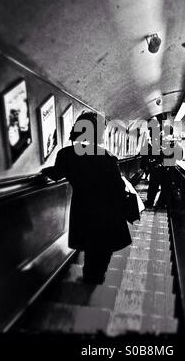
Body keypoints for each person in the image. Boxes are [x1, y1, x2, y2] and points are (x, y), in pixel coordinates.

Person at [41, 111, 132, 284]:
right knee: (103, 246)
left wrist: (43, 172)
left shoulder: (65, 154)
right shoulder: (107, 157)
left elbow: (56, 174)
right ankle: (97, 275)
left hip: (83, 207)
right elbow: (118, 188)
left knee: (90, 243)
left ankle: (89, 274)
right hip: (107, 209)